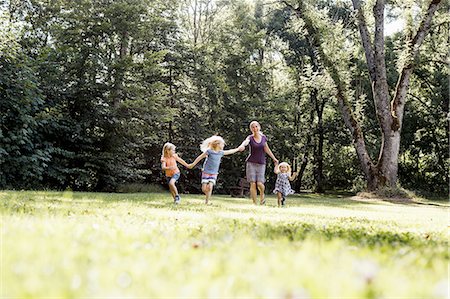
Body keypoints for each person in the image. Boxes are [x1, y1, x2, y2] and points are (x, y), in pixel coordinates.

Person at [188, 136, 244, 204]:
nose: (223, 145)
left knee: (210, 186)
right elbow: (200, 157)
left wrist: (238, 149)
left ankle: (207, 201)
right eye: (222, 144)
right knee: (204, 189)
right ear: (217, 144)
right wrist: (193, 164)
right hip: (206, 172)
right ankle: (207, 195)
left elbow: (230, 151)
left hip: (214, 173)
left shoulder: (220, 153)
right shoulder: (209, 151)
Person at [239, 121, 278, 205]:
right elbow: (245, 142)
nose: (255, 128)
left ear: (259, 127)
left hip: (261, 163)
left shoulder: (263, 137)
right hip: (251, 163)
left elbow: (266, 149)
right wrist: (242, 146)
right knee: (252, 183)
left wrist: (274, 158)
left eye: (256, 126)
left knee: (260, 183)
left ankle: (262, 194)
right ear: (251, 129)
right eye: (253, 127)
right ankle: (254, 203)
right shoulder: (250, 137)